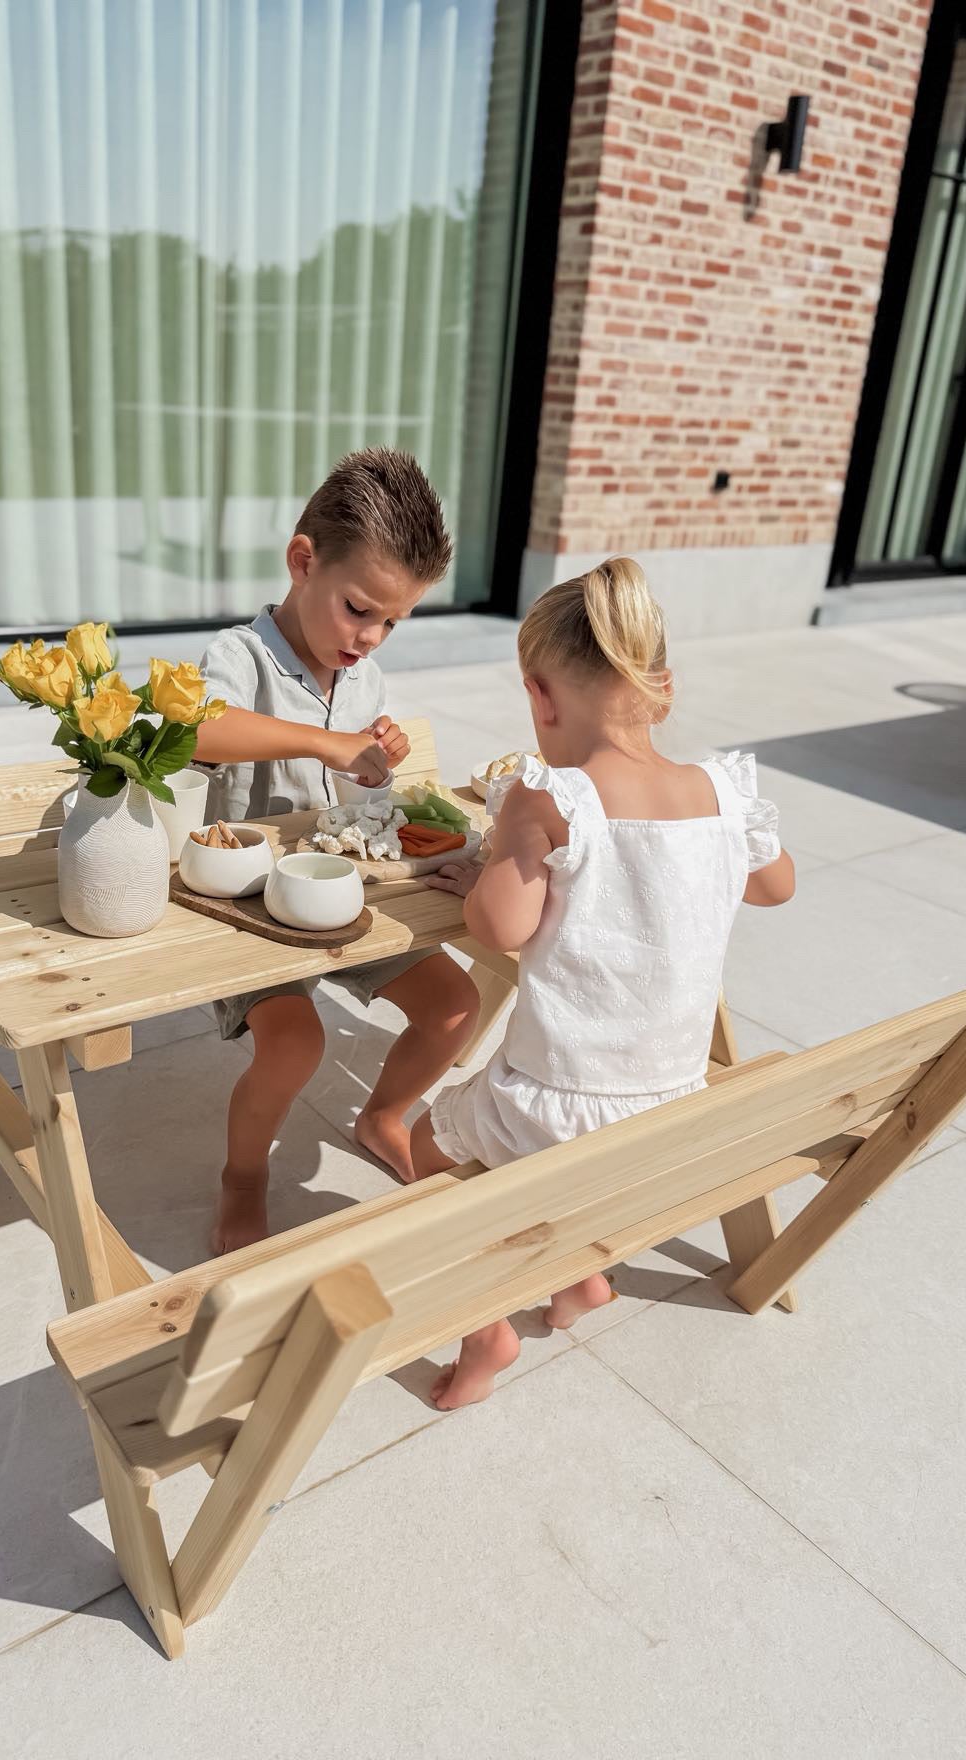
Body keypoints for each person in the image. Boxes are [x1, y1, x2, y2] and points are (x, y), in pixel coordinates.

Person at [411, 557, 796, 1408]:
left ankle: (487, 1334)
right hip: (674, 1106)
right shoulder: (723, 794)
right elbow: (776, 884)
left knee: (428, 1149)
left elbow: (498, 927)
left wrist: (496, 859)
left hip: (555, 1107)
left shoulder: (551, 798)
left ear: (541, 697)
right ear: (662, 686)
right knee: (509, 1139)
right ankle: (581, 1283)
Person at [193, 448, 480, 1252]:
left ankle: (383, 1115)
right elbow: (200, 729)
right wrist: (326, 742)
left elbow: (360, 802)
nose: (371, 637)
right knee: (297, 1041)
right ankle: (242, 1176)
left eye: (393, 622)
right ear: (302, 560)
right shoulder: (238, 657)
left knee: (458, 1005)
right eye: (359, 609)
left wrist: (373, 755)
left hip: (340, 893)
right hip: (251, 907)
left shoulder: (364, 679)